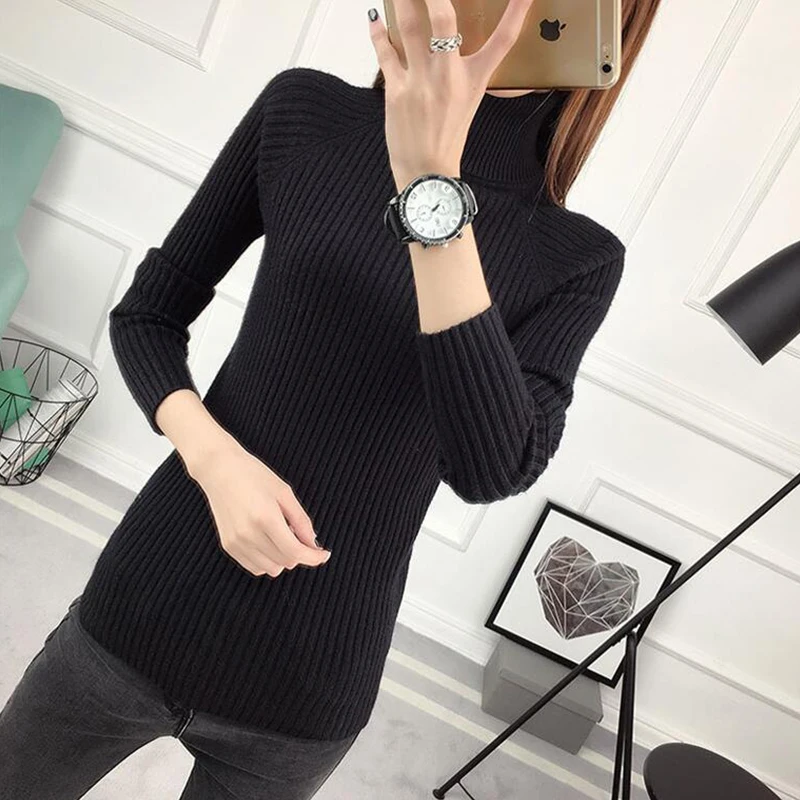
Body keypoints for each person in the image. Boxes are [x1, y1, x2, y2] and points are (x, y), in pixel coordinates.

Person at [0, 0, 663, 797]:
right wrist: (213, 459)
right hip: (142, 602)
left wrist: (432, 190)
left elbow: (490, 468)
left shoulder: (579, 259)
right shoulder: (303, 113)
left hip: (307, 686)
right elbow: (149, 313)